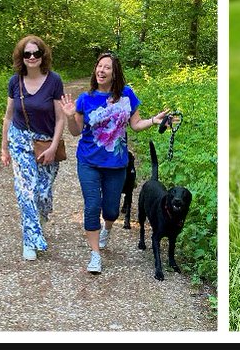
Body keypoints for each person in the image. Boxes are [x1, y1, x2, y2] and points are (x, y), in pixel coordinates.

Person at [64, 52, 170, 274]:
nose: (101, 71)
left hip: (116, 163)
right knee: (92, 206)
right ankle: (95, 255)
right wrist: (69, 116)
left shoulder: (126, 95)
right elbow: (75, 132)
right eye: (99, 67)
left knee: (111, 210)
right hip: (89, 161)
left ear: (115, 73)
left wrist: (154, 120)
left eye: (107, 68)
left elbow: (136, 124)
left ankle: (107, 228)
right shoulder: (85, 99)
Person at [0, 35, 65, 262]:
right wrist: (4, 148)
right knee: (25, 191)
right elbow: (8, 118)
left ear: (43, 55)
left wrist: (54, 146)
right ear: (21, 57)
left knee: (42, 193)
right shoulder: (14, 82)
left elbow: (59, 119)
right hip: (20, 140)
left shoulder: (54, 81)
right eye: (27, 54)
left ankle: (41, 215)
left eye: (36, 53)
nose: (32, 57)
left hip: (46, 143)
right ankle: (30, 240)